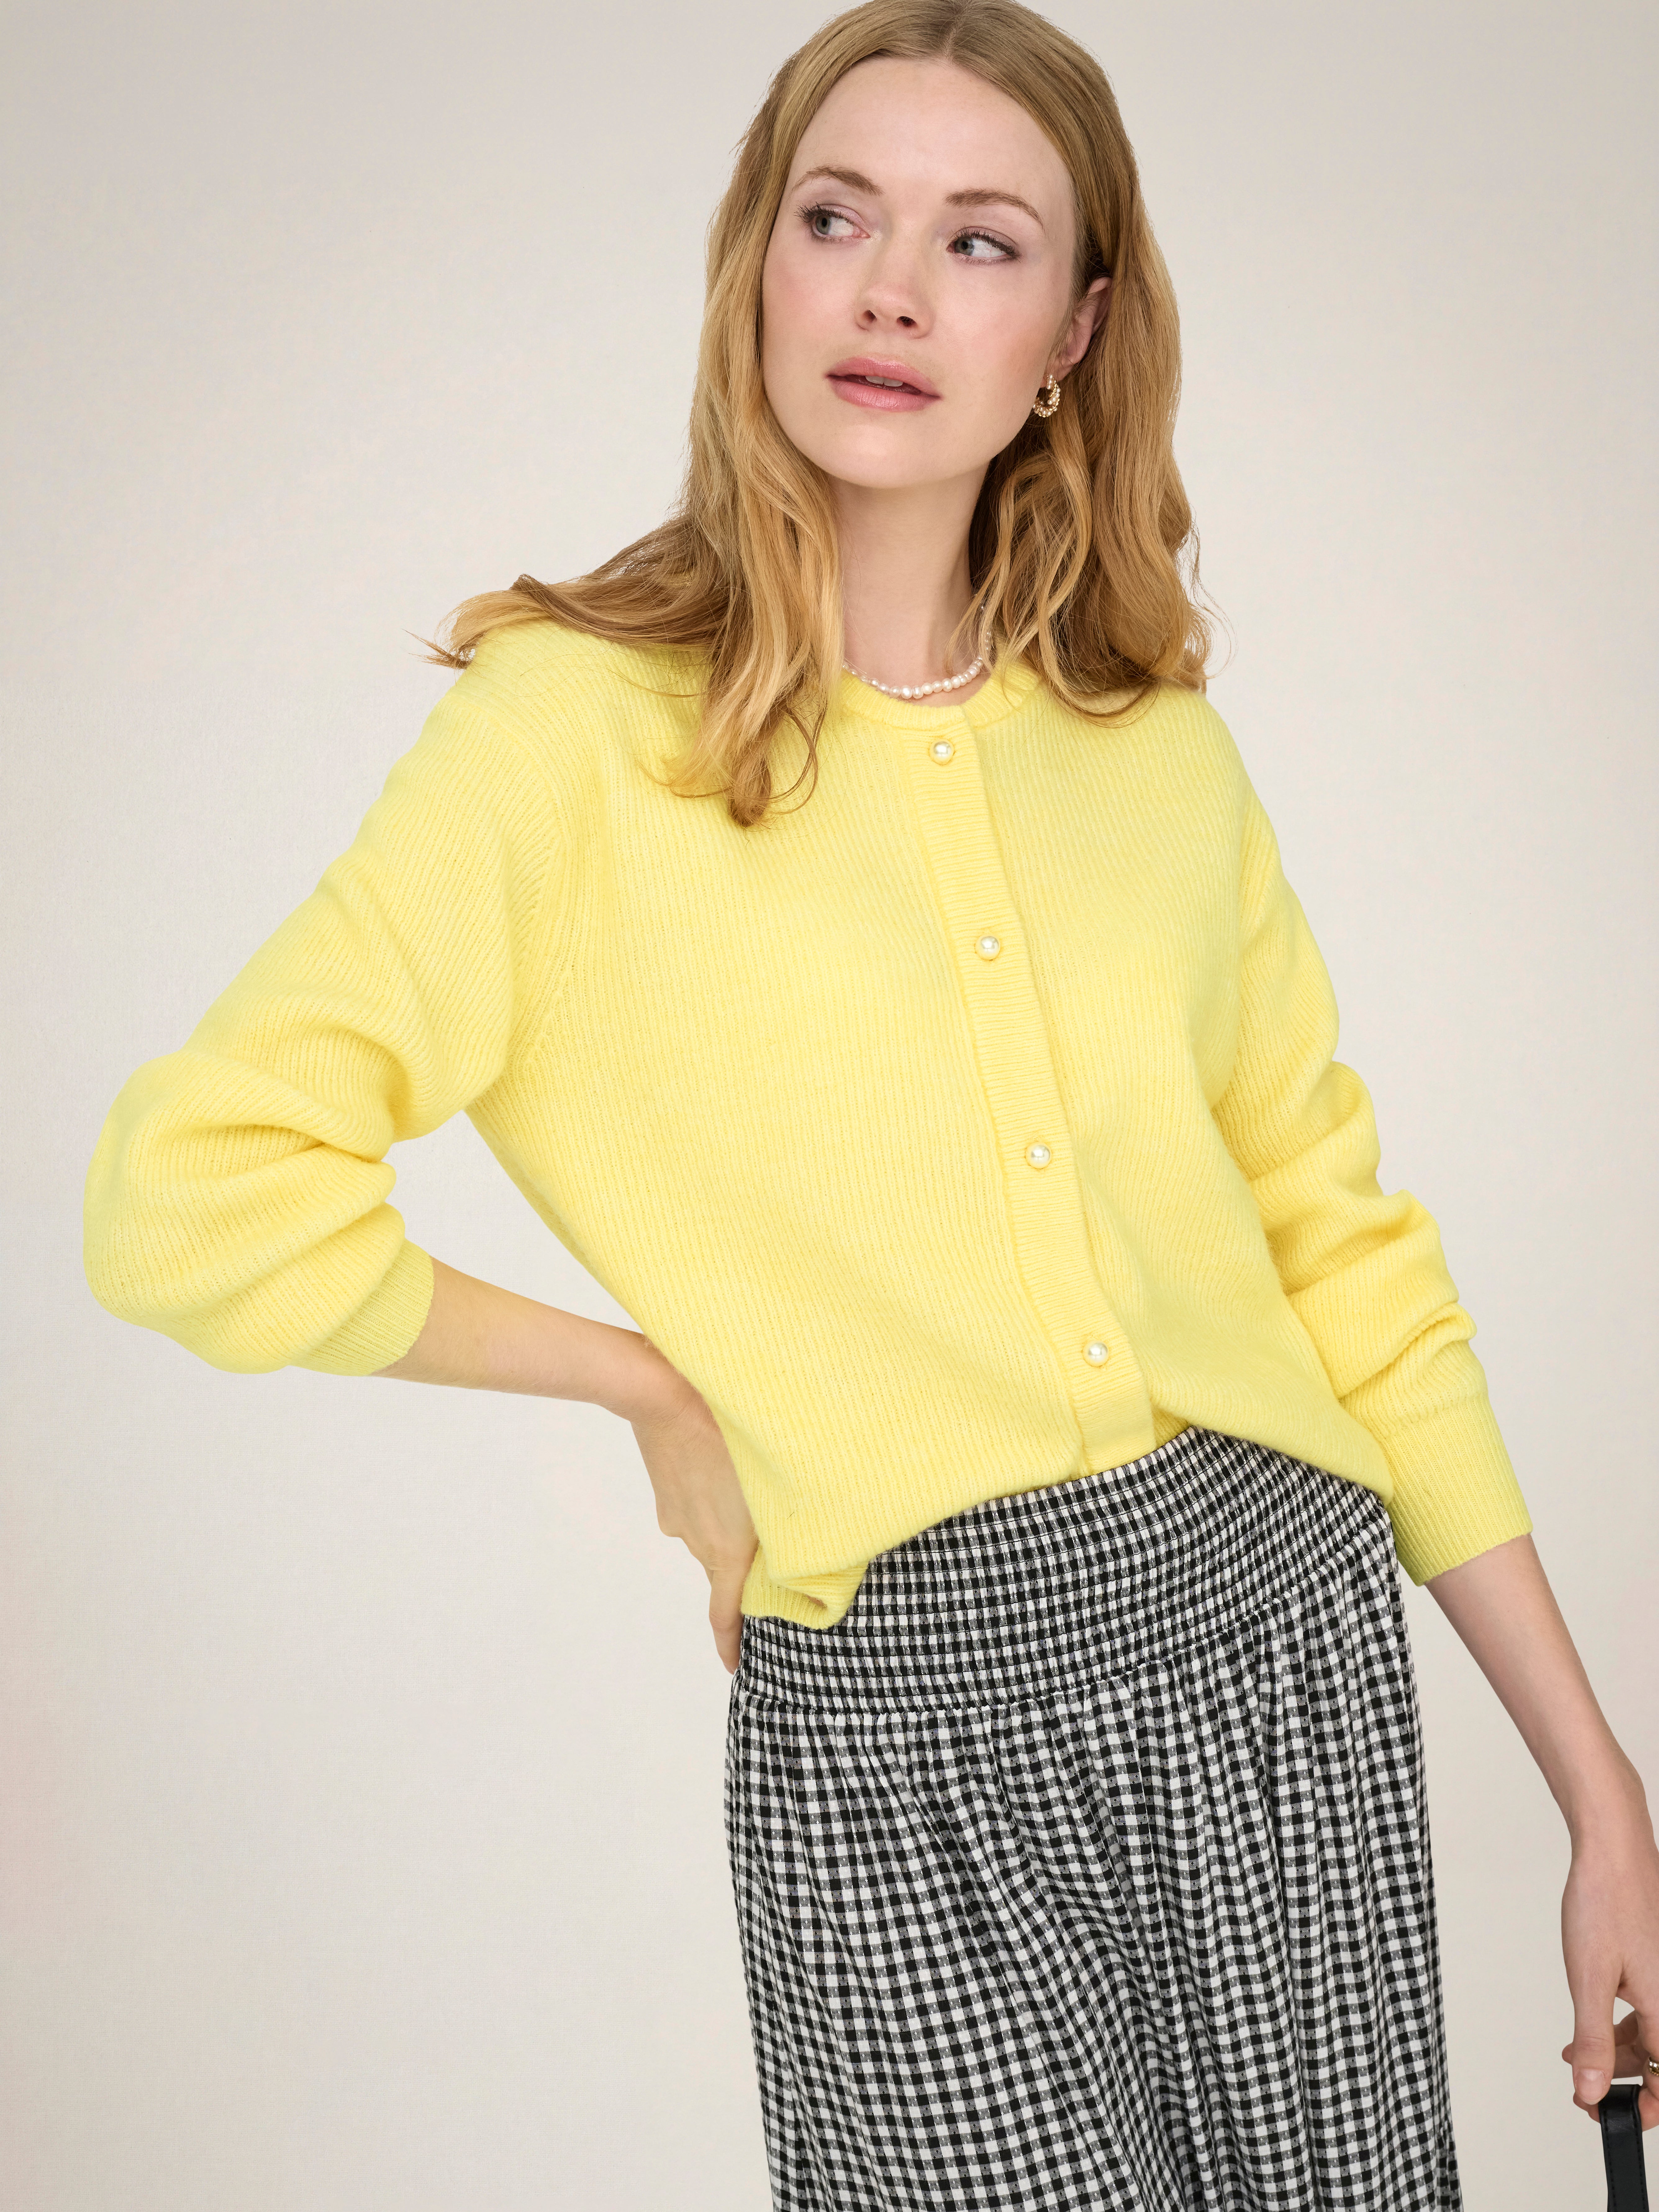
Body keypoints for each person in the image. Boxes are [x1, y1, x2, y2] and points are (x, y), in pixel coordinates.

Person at [83, 1, 1657, 2203]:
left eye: (981, 240)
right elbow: (189, 1194)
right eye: (838, 218)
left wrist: (1599, 1795)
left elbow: (1347, 1253)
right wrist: (649, 1384)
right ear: (759, 267)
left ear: (1076, 336)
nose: (894, 289)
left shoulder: (1155, 753)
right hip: (897, 1728)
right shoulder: (565, 739)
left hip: (1279, 1656)